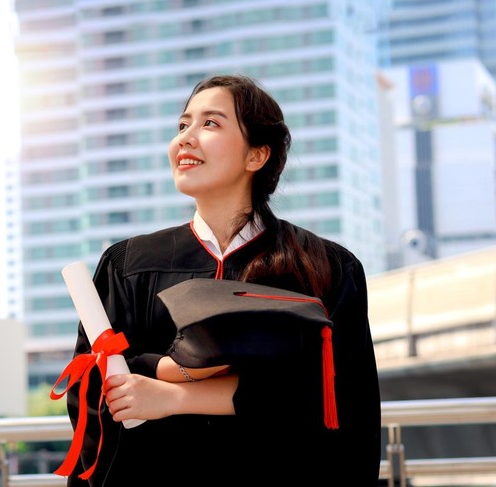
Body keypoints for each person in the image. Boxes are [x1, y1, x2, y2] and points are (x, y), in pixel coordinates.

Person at [62, 74, 381, 486]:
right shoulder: (129, 264)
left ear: (256, 156)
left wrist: (162, 379)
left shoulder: (325, 267)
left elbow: (348, 410)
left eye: (210, 124)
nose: (185, 139)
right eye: (182, 125)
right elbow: (91, 401)